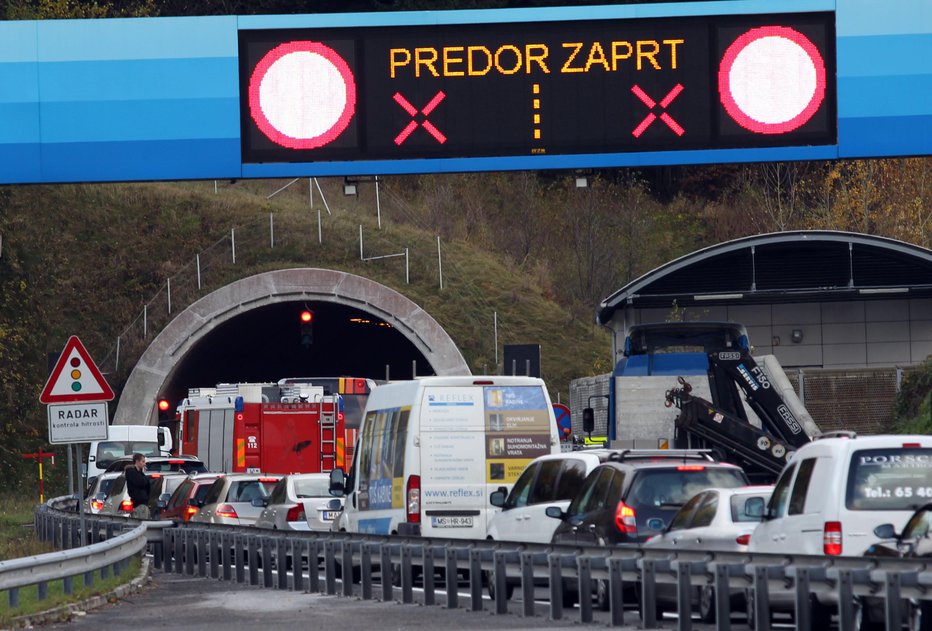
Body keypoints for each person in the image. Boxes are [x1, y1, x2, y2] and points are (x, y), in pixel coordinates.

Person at [124, 453, 150, 519]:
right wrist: (147, 479)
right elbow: (140, 482)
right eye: (143, 461)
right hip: (138, 502)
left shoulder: (141, 473)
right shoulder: (131, 472)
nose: (144, 464)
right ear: (137, 462)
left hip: (144, 501)